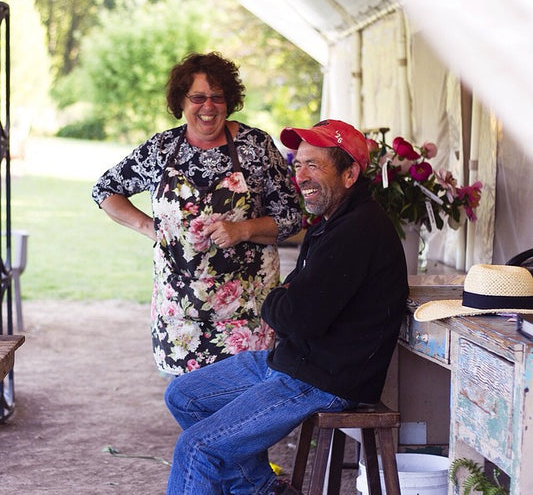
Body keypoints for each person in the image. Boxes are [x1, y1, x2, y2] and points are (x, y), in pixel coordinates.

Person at [163, 119, 409, 494]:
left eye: (315, 165)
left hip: (324, 378)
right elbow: (293, 305)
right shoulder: (332, 224)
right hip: (295, 361)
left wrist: (279, 299)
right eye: (298, 164)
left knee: (198, 448)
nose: (302, 176)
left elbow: (297, 316)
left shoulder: (357, 231)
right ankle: (259, 488)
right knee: (183, 394)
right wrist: (285, 299)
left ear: (350, 173)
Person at [92, 52, 302, 376]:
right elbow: (105, 190)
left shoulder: (255, 146)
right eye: (198, 97)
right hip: (178, 315)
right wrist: (150, 226)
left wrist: (243, 229)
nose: (208, 107)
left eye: (217, 97)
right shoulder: (161, 149)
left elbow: (291, 216)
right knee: (186, 401)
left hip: (245, 315)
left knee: (240, 406)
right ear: (181, 101)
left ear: (229, 100)